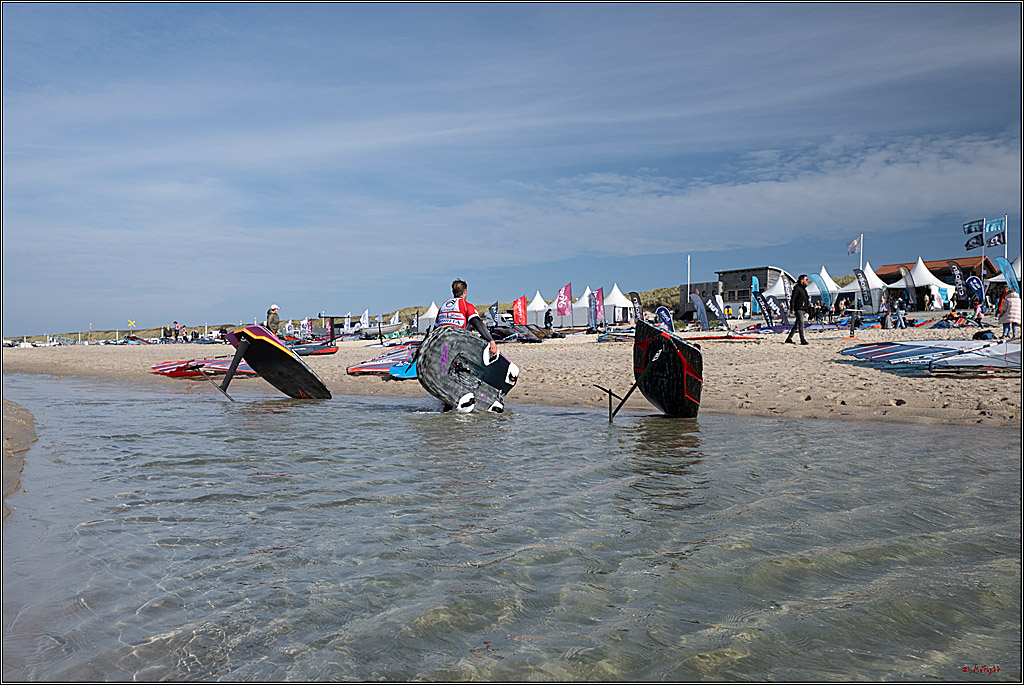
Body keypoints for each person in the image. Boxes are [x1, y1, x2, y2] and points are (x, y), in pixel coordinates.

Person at [436, 279, 498, 358]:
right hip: (456, 342)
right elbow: (477, 323)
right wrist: (491, 341)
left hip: (439, 341)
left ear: (453, 292)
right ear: (465, 291)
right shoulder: (466, 305)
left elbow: (435, 328)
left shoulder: (443, 306)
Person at [785, 274, 811, 345]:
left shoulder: (804, 289)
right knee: (801, 323)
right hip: (798, 309)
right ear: (802, 280)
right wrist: (792, 308)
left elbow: (806, 300)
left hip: (803, 309)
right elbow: (793, 298)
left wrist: (807, 310)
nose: (807, 281)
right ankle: (802, 339)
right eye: (806, 279)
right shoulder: (797, 288)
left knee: (796, 325)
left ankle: (789, 338)